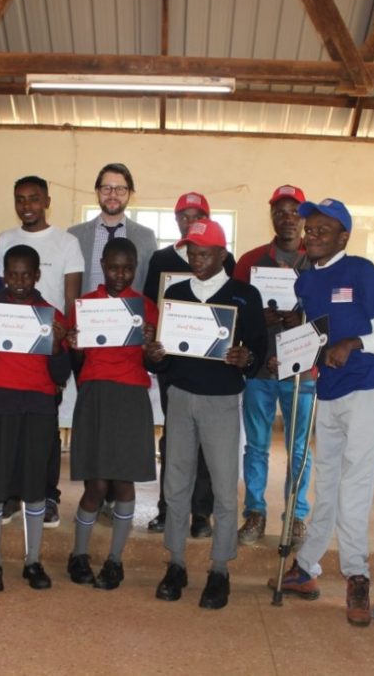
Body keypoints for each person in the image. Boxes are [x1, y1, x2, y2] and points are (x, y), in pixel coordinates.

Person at [276, 198, 374, 627]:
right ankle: (308, 568)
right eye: (309, 229)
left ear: (342, 236)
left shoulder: (361, 271)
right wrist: (291, 341)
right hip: (326, 392)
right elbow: (314, 332)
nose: (311, 236)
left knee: (355, 485)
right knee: (325, 481)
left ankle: (357, 575)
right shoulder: (305, 279)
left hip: (365, 389)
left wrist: (353, 344)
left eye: (322, 231)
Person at [146, 216, 268, 610]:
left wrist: (245, 358)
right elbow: (164, 358)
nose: (196, 260)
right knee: (176, 483)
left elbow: (258, 352)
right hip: (180, 397)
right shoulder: (177, 292)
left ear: (222, 253)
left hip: (220, 402)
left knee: (222, 487)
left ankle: (220, 569)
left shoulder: (244, 296)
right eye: (192, 253)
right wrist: (156, 357)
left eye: (204, 254)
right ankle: (176, 563)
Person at [0, 244, 72, 592]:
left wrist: (55, 348)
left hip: (38, 408)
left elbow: (62, 374)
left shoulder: (52, 316)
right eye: (12, 274)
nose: (19, 281)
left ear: (38, 275)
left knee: (35, 487)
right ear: (4, 275)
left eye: (26, 274)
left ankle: (32, 561)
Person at [142, 192, 237, 537]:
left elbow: (233, 313)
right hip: (176, 366)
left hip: (213, 368)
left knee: (209, 443)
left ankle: (201, 513)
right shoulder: (160, 258)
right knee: (175, 440)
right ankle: (169, 509)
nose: (188, 220)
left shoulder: (226, 259)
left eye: (196, 215)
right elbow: (153, 305)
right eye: (183, 215)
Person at [65, 238, 158, 590]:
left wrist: (152, 345)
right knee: (95, 484)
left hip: (131, 396)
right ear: (102, 265)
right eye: (113, 267)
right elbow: (77, 361)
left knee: (123, 483)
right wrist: (74, 346)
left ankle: (115, 560)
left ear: (136, 268)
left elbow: (154, 361)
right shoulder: (85, 305)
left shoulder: (146, 307)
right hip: (96, 395)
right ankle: (78, 554)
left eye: (127, 268)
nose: (120, 274)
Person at [0, 176, 85, 527]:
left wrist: (64, 342)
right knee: (12, 428)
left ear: (48, 200)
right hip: (10, 347)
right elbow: (0, 291)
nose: (27, 205)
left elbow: (71, 298)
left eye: (34, 198)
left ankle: (47, 495)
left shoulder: (66, 242)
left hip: (49, 348)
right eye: (20, 199)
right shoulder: (5, 240)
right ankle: (11, 495)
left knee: (45, 430)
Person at [233, 185, 315, 545]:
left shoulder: (318, 260)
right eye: (280, 211)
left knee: (299, 448)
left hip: (303, 373)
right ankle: (254, 512)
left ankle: (295, 516)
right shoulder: (250, 261)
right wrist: (257, 318)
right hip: (260, 372)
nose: (287, 218)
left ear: (304, 217)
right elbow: (232, 314)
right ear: (272, 216)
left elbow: (333, 317)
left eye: (294, 211)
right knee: (257, 446)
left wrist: (305, 321)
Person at [68, 163, 157, 294]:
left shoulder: (146, 237)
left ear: (130, 193)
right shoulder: (75, 235)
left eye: (120, 189)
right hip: (87, 313)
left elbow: (150, 286)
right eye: (106, 188)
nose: (113, 195)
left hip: (131, 313)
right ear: (97, 191)